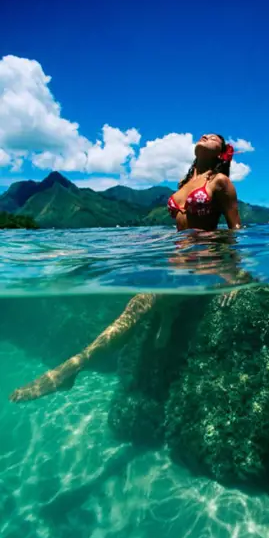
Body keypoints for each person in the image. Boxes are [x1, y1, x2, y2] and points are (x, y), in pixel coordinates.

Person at [9, 134, 243, 402]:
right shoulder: (185, 182)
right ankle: (168, 315)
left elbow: (235, 229)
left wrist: (235, 272)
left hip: (201, 264)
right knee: (150, 295)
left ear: (221, 153)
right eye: (205, 134)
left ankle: (72, 368)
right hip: (175, 262)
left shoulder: (221, 183)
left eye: (214, 138)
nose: (206, 136)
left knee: (138, 304)